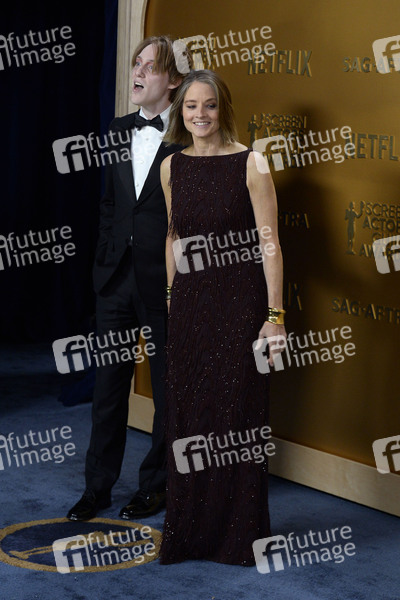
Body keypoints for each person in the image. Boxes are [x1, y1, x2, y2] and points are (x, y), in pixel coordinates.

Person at [159, 69, 286, 565]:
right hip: (190, 306)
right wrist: (171, 298)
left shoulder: (251, 163)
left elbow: (270, 244)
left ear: (223, 108)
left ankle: (238, 539)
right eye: (191, 106)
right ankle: (189, 535)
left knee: (236, 419)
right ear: (181, 111)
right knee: (190, 420)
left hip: (240, 306)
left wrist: (274, 316)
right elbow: (173, 236)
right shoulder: (172, 166)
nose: (200, 115)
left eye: (209, 105)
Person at [67, 36, 191, 522]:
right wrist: (104, 259)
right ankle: (96, 488)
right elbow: (110, 203)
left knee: (167, 390)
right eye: (136, 63)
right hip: (114, 279)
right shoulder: (118, 129)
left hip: (165, 283)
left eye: (150, 67)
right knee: (108, 389)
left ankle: (154, 488)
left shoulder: (190, 137)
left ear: (173, 80)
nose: (137, 72)